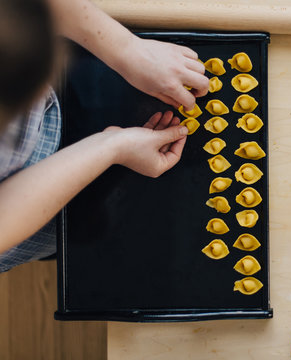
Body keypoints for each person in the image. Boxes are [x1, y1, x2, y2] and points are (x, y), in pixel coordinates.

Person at [0, 0, 209, 272]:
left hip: (61, 97)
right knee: (88, 229)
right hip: (27, 211)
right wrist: (112, 146)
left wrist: (128, 50)